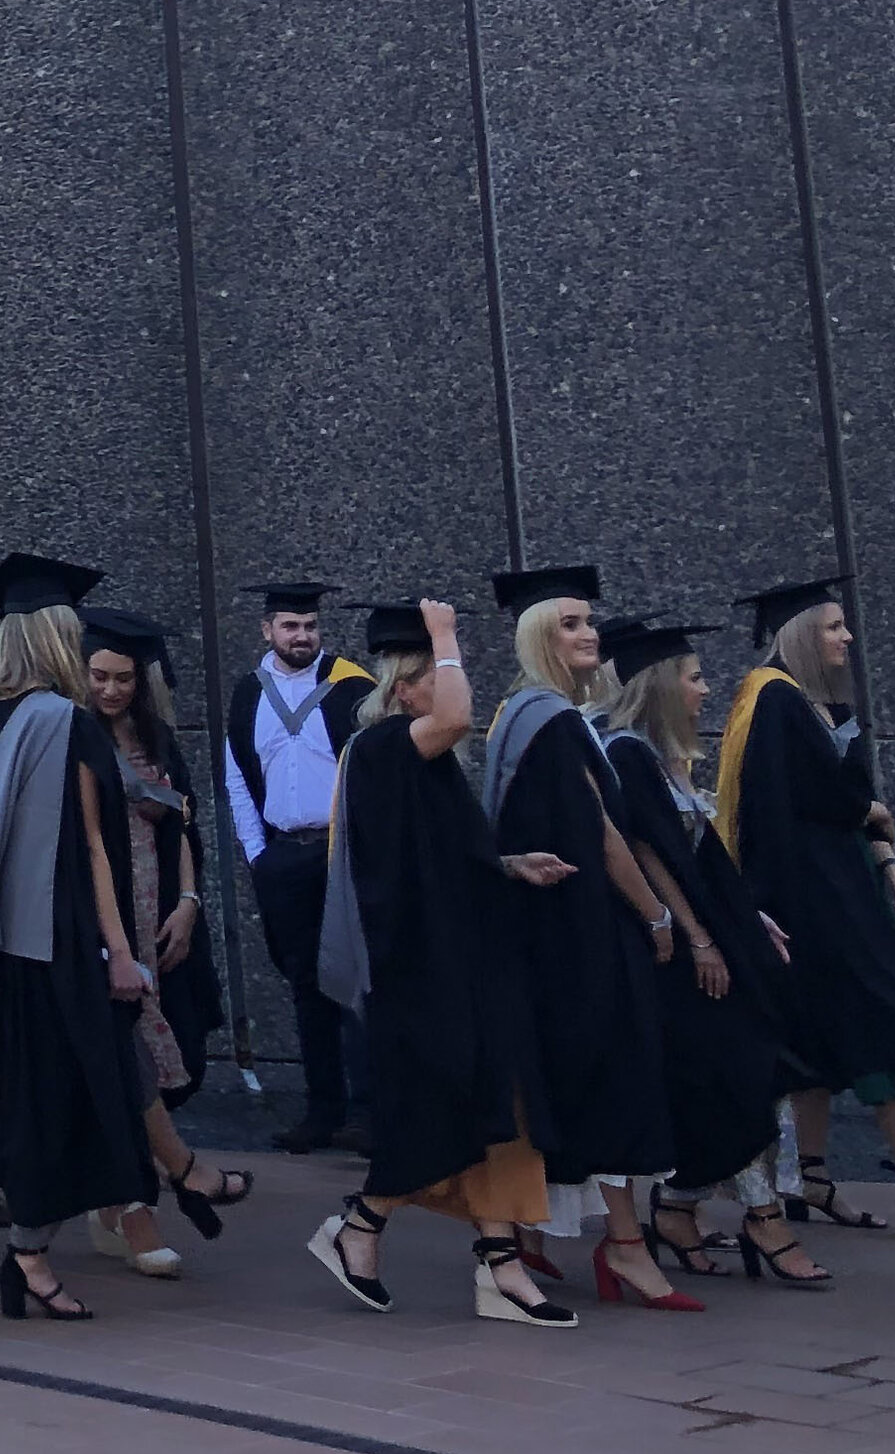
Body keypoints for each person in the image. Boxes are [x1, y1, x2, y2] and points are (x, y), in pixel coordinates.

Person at [0, 554, 161, 1322]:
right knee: (76, 1097)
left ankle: (31, 1256)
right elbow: (90, 848)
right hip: (59, 939)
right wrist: (119, 950)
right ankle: (29, 1254)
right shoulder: (65, 721)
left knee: (26, 1099)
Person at [306, 598, 576, 1329]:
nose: (452, 686)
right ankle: (361, 1222)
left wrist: (510, 864)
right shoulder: (386, 745)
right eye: (434, 675)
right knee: (446, 1107)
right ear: (402, 687)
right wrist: (446, 634)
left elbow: (442, 857)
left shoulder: (419, 763)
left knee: (500, 1105)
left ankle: (501, 1265)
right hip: (420, 972)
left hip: (463, 959)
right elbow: (456, 717)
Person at [721, 577, 895, 1241]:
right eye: (834, 626)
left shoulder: (819, 705)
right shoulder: (775, 701)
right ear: (803, 633)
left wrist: (887, 860)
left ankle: (812, 1177)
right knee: (886, 1033)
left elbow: (851, 793)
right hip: (814, 905)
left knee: (819, 1043)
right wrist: (863, 814)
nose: (846, 637)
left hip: (843, 890)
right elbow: (791, 805)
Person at [589, 617, 825, 1288]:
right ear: (663, 684)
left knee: (741, 1073)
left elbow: (700, 852)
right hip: (678, 957)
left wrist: (749, 918)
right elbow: (650, 852)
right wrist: (698, 938)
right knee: (739, 1073)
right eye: (694, 678)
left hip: (707, 940)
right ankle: (764, 1218)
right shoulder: (626, 755)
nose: (704, 690)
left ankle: (680, 1209)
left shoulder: (659, 757)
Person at [478, 564, 686, 1304]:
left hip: (547, 929)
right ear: (539, 637)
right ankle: (624, 1246)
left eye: (589, 621)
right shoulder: (556, 721)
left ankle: (534, 1237)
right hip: (583, 933)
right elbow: (600, 835)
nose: (588, 632)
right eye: (568, 623)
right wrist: (657, 917)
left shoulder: (517, 716)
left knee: (568, 1084)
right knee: (615, 1082)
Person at [77, 609, 246, 1279]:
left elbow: (183, 825)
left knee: (166, 1051)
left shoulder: (158, 739)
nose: (111, 691)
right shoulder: (77, 739)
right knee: (126, 1052)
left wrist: (189, 902)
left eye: (123, 679)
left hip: (161, 912)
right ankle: (137, 1198)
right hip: (106, 914)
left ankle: (127, 1197)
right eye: (99, 676)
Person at [221, 580, 370, 1153]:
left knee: (356, 980)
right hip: (283, 856)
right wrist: (258, 856)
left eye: (309, 626)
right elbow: (236, 778)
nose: (301, 635)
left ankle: (368, 1109)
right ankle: (322, 1109)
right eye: (289, 626)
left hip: (342, 853)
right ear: (267, 630)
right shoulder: (246, 695)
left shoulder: (351, 687)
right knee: (306, 985)